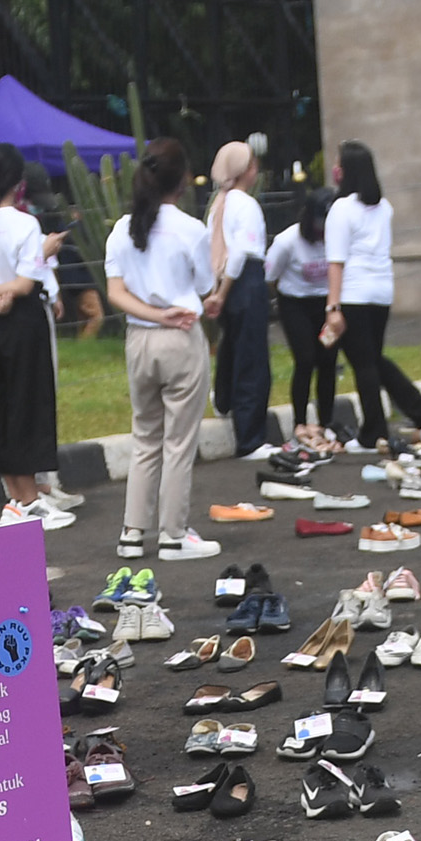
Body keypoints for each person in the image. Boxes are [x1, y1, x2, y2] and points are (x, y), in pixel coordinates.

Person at [105, 138, 216, 564]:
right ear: (183, 180)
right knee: (178, 441)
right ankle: (172, 533)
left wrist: (152, 314)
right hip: (182, 336)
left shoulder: (122, 229)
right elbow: (205, 286)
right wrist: (170, 314)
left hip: (139, 339)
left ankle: (132, 532)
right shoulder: (191, 229)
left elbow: (115, 292)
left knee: (145, 437)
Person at [0, 144, 69, 526]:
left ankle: (16, 499)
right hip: (22, 322)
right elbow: (23, 284)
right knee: (28, 404)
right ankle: (32, 499)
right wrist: (41, 253)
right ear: (19, 182)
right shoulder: (25, 225)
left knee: (0, 406)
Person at [319, 142, 421, 450]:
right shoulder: (383, 207)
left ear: (346, 171)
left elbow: (336, 262)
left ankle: (374, 432)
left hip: (354, 293)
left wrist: (332, 307)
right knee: (372, 359)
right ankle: (420, 410)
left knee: (364, 364)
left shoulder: (341, 209)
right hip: (381, 292)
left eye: (338, 164)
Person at [206, 141, 274, 452]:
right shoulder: (245, 204)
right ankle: (250, 439)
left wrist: (217, 290)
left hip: (227, 283)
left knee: (232, 349)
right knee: (253, 360)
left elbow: (214, 250)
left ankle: (223, 403)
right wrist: (224, 291)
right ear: (247, 170)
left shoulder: (218, 205)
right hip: (244, 281)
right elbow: (240, 253)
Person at [267, 209, 339, 445]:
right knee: (305, 359)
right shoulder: (287, 241)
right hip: (294, 303)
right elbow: (270, 274)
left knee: (328, 361)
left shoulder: (336, 238)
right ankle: (299, 421)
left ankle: (325, 421)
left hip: (325, 302)